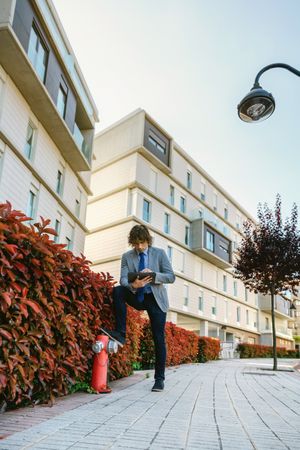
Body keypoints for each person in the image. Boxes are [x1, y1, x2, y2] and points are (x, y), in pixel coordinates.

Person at [107, 224, 175, 392]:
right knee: (118, 290)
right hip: (138, 295)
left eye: (142, 243)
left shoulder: (159, 254)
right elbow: (123, 279)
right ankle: (120, 334)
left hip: (156, 299)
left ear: (147, 240)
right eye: (136, 244)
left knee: (158, 339)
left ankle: (159, 380)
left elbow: (171, 276)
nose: (139, 247)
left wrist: (153, 275)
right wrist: (133, 284)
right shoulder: (127, 257)